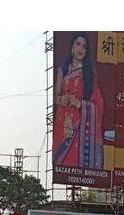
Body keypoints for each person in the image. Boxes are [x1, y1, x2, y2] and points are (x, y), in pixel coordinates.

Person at [53, 32, 104, 169]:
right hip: (62, 124)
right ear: (72, 47)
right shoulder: (63, 70)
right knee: (61, 165)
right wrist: (61, 99)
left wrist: (80, 103)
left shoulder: (89, 73)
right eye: (78, 44)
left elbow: (99, 102)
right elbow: (56, 96)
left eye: (84, 46)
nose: (81, 49)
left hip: (81, 127)